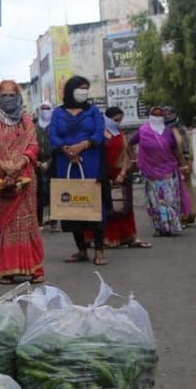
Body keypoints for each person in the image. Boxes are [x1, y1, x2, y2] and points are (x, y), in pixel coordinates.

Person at [0, 80, 46, 281]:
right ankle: (7, 269)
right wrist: (3, 165)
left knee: (27, 223)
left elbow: (34, 145)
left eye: (11, 95)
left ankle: (34, 269)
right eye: (4, 95)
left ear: (18, 96)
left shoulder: (26, 119)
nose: (8, 99)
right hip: (2, 181)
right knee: (7, 226)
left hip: (24, 180)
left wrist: (18, 166)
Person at [49, 76, 108, 265]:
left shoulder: (93, 111)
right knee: (72, 206)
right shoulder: (58, 112)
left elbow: (99, 133)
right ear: (71, 89)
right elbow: (53, 135)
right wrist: (67, 150)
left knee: (94, 204)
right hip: (65, 163)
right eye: (81, 88)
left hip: (91, 161)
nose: (84, 91)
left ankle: (99, 249)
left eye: (87, 88)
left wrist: (84, 144)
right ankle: (81, 249)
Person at [86, 107, 151, 249]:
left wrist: (122, 173)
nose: (118, 123)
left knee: (124, 207)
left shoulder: (121, 135)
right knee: (105, 208)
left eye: (120, 120)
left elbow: (128, 155)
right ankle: (105, 238)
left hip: (120, 175)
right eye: (115, 120)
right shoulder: (98, 134)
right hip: (102, 175)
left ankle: (128, 236)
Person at [130, 106, 187, 237]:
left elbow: (176, 150)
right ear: (150, 116)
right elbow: (129, 143)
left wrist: (184, 165)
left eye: (159, 115)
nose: (157, 117)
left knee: (171, 200)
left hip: (169, 172)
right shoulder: (143, 131)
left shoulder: (168, 132)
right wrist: (134, 159)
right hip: (151, 174)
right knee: (154, 202)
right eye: (154, 115)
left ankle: (172, 226)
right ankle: (158, 227)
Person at [164, 106, 196, 225]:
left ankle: (188, 214)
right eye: (165, 113)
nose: (167, 115)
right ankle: (177, 216)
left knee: (186, 190)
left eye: (169, 113)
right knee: (173, 191)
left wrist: (189, 163)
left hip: (183, 164)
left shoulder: (181, 129)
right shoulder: (162, 130)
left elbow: (188, 146)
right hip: (169, 165)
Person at [34, 100, 56, 230]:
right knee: (38, 193)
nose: (45, 110)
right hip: (36, 163)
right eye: (42, 108)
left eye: (47, 108)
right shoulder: (34, 127)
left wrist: (48, 163)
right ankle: (39, 221)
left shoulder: (55, 126)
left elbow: (59, 146)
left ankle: (54, 221)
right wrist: (36, 162)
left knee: (53, 191)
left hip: (52, 163)